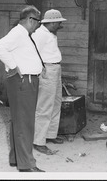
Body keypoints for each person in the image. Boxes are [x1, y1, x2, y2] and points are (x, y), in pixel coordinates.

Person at [0, 5, 45, 172]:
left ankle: (16, 159)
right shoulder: (18, 33)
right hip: (24, 81)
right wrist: (14, 66)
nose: (39, 25)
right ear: (31, 19)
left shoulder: (24, 34)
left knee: (19, 121)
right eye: (38, 21)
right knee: (25, 123)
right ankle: (27, 165)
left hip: (26, 81)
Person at [31, 9, 67, 155]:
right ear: (51, 22)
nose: (59, 25)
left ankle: (50, 134)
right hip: (47, 70)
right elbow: (32, 52)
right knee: (44, 106)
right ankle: (38, 141)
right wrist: (41, 68)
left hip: (56, 69)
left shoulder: (50, 33)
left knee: (56, 103)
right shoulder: (39, 34)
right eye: (58, 22)